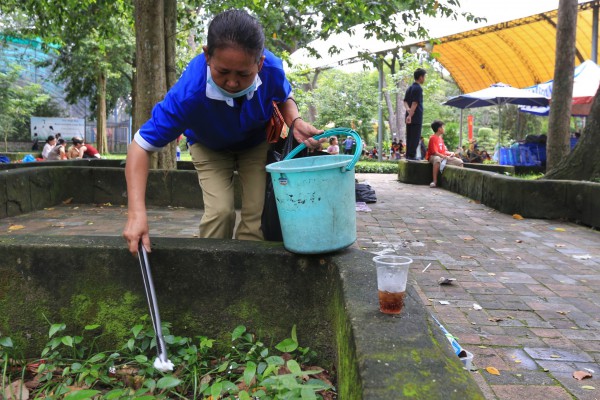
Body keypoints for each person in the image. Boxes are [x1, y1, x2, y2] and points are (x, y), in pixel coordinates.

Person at [122, 9, 323, 255]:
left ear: (259, 64)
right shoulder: (188, 94)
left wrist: (295, 121)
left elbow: (284, 96)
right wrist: (136, 214)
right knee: (220, 212)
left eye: (243, 74)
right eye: (223, 72)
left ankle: (249, 275)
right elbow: (140, 146)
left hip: (254, 143)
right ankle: (213, 271)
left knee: (256, 214)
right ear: (207, 55)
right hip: (208, 146)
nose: (232, 82)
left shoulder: (271, 68)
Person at [425, 120, 463, 188]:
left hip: (442, 156)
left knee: (460, 162)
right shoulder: (433, 138)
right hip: (433, 156)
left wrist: (451, 153)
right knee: (437, 159)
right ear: (439, 129)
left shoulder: (440, 139)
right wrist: (444, 157)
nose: (444, 129)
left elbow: (443, 151)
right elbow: (435, 152)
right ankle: (435, 181)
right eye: (443, 127)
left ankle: (460, 181)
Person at [403, 68, 426, 160]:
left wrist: (408, 111)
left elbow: (405, 101)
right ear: (420, 77)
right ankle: (412, 155)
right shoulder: (418, 88)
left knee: (409, 135)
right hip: (415, 117)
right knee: (415, 136)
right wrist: (410, 115)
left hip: (410, 116)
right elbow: (415, 103)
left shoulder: (410, 88)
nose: (424, 79)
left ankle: (408, 154)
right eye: (424, 77)